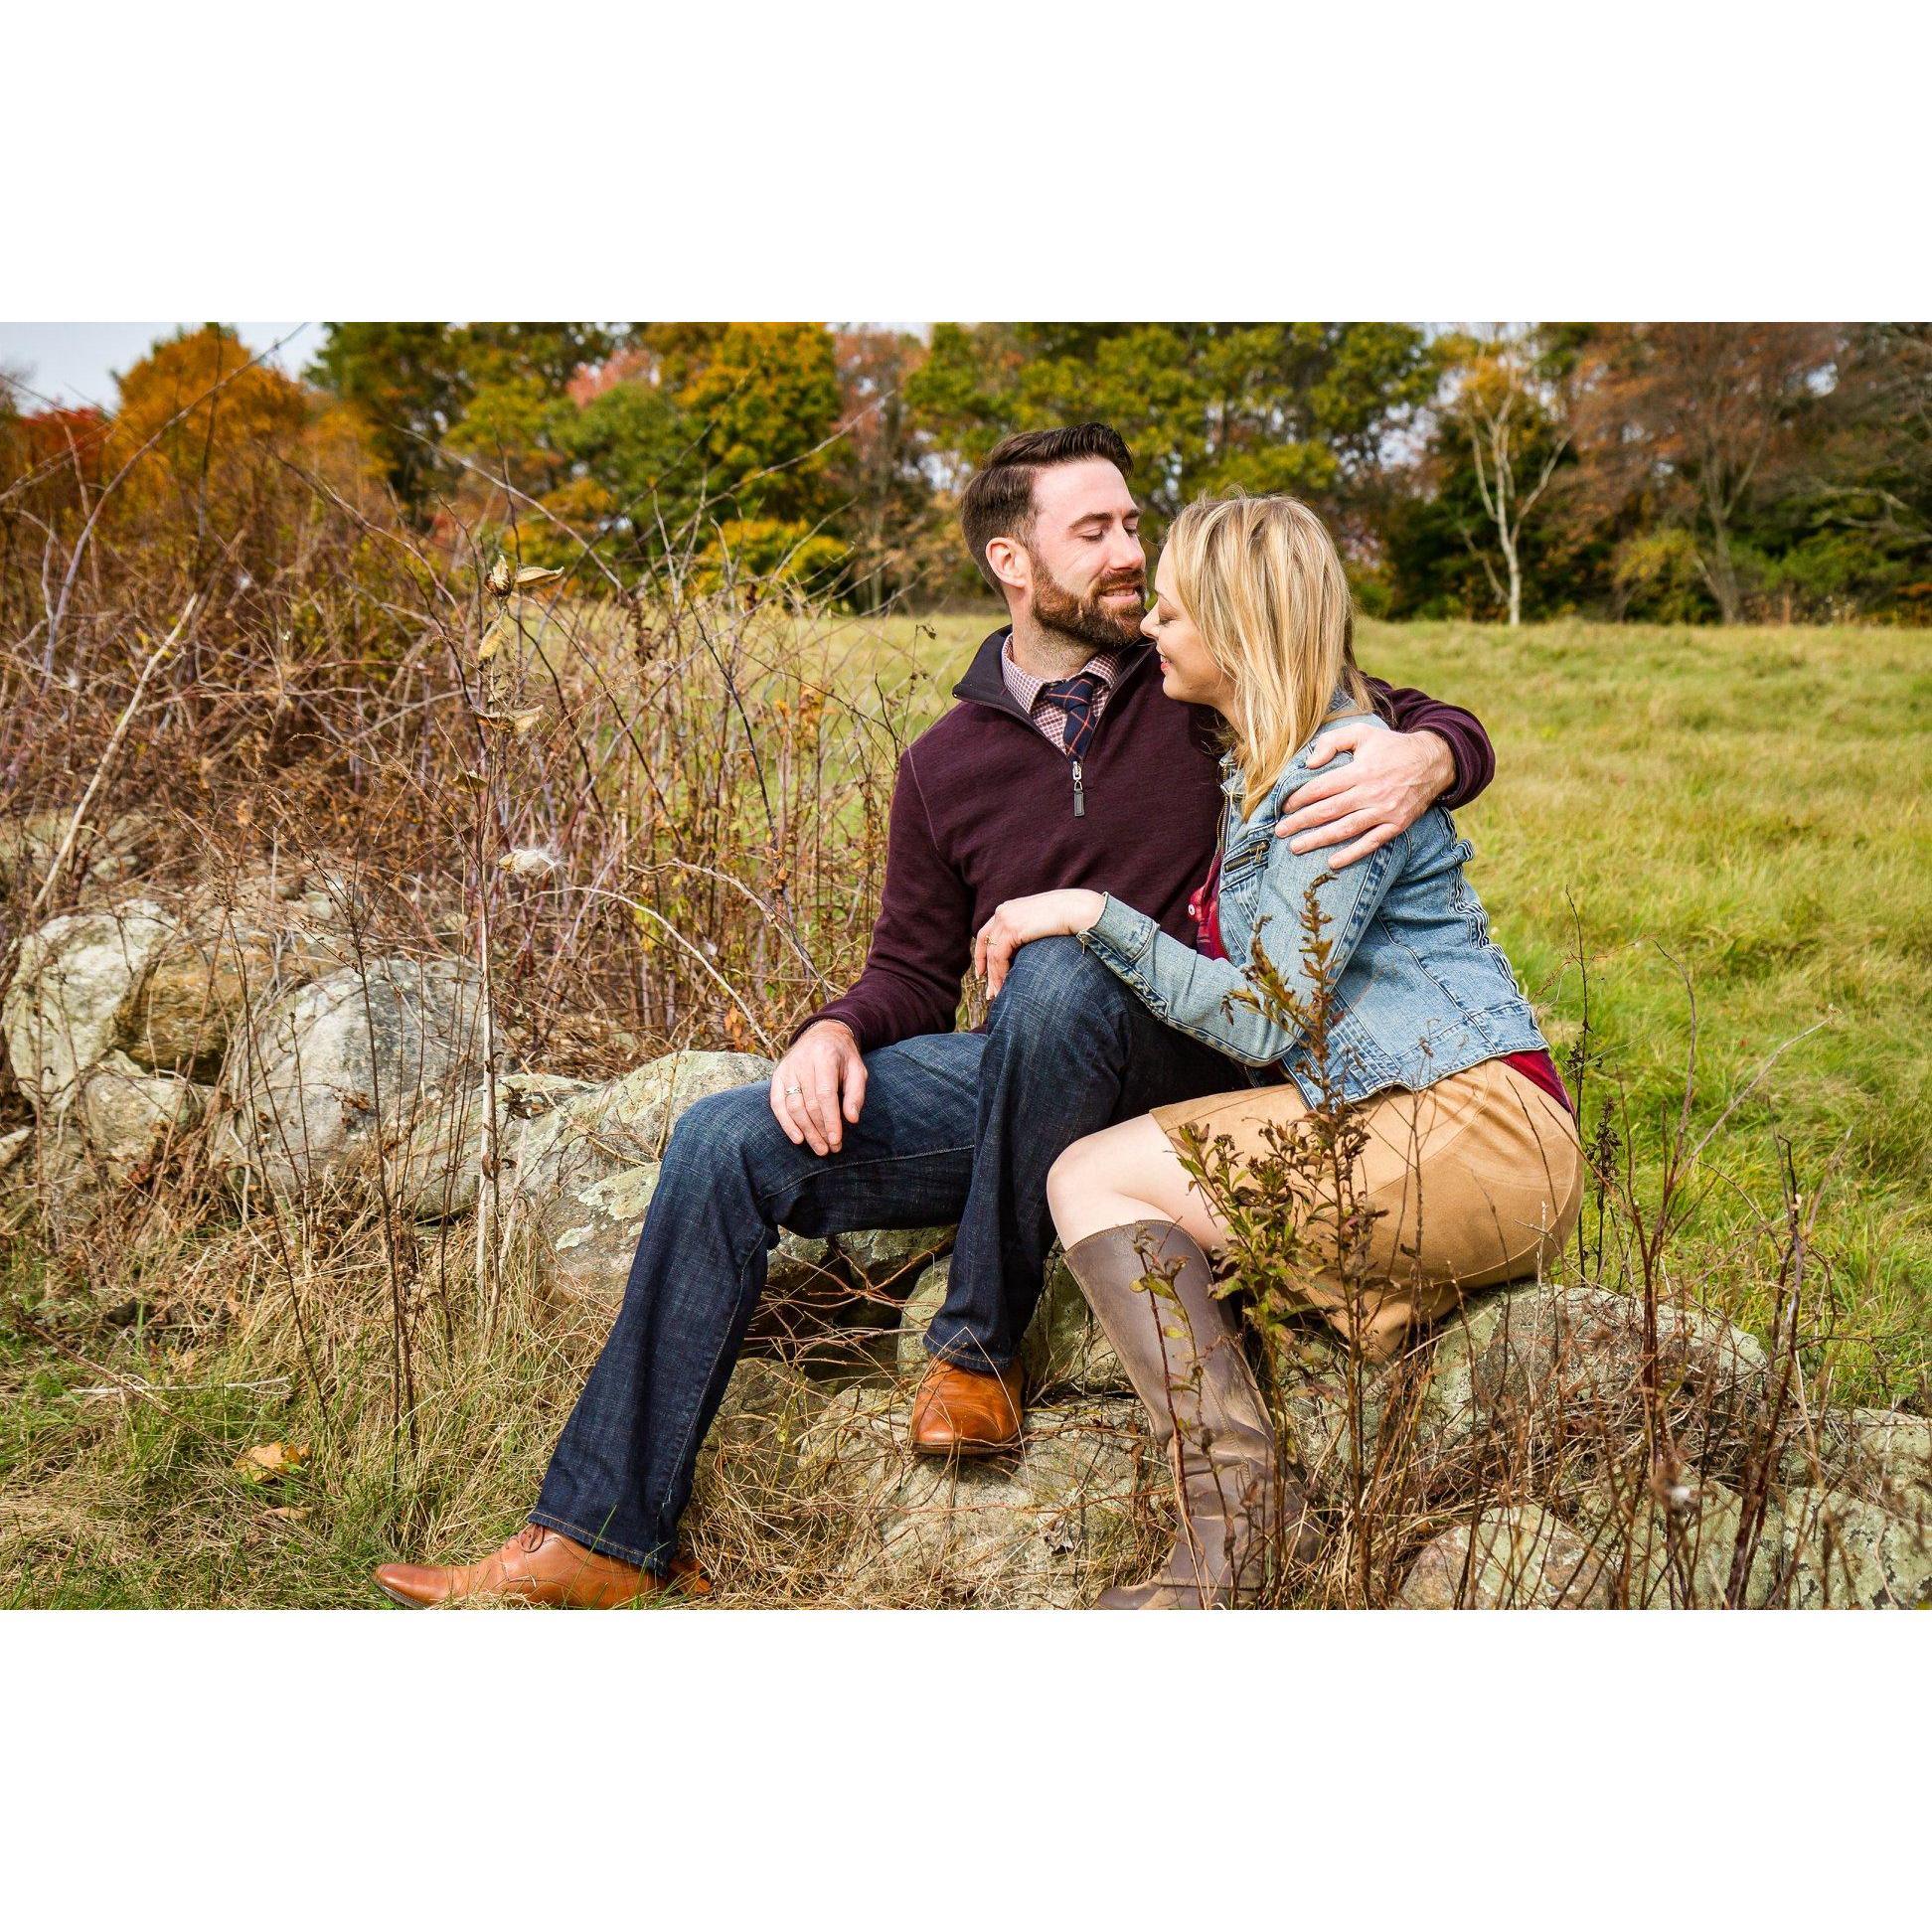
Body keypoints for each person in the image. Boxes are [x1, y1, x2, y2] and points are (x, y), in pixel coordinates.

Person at [374, 428, 1499, 1609]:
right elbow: (912, 967)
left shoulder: (1196, 685)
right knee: (723, 1139)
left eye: (1134, 525)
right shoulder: (944, 764)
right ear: (1014, 561)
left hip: (1205, 1058)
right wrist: (835, 1030)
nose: (1133, 555)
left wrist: (1433, 753)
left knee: (1063, 968)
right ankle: (600, 1534)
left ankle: (978, 1350)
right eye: (1097, 533)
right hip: (1030, 1075)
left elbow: (1372, 705)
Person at [976, 493, 1581, 1609]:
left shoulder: (1331, 779)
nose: (1150, 628)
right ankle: (1253, 1494)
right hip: (1404, 1117)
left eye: (1171, 611)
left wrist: (1087, 912)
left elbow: (1260, 1017)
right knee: (1099, 1172)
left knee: (1091, 1176)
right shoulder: (1270, 763)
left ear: (1241, 626)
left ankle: (1238, 1533)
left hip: (1472, 1128)